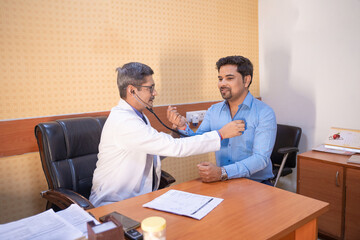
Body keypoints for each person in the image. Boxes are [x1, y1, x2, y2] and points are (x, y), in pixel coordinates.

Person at [89, 62, 245, 207]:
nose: (155, 93)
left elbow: (156, 149)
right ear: (132, 90)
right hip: (113, 204)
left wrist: (175, 132)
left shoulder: (138, 116)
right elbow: (175, 148)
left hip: (137, 199)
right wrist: (221, 134)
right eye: (150, 88)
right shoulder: (125, 122)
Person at [167, 56, 277, 185]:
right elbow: (200, 140)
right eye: (220, 79)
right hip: (224, 182)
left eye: (229, 78)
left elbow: (260, 159)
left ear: (246, 80)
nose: (222, 84)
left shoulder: (264, 112)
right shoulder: (213, 110)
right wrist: (182, 127)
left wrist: (222, 172)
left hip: (257, 184)